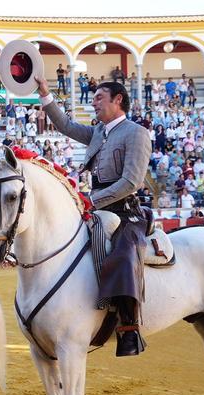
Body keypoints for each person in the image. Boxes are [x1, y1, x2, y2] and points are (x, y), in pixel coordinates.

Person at [37, 76, 150, 357]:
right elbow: (65, 125)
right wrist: (45, 95)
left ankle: (129, 328)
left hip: (125, 210)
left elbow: (131, 183)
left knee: (123, 256)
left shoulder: (136, 133)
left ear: (118, 100)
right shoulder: (100, 131)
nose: (94, 102)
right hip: (97, 208)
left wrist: (90, 199)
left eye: (100, 97)